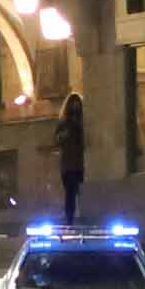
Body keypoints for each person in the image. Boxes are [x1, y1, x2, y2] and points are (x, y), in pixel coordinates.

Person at [54, 89, 90, 218]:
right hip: (68, 165)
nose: (75, 106)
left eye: (77, 103)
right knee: (70, 193)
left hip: (80, 164)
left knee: (81, 192)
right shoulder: (64, 123)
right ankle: (70, 218)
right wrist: (65, 134)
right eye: (73, 103)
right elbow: (57, 139)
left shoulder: (83, 123)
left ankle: (80, 215)